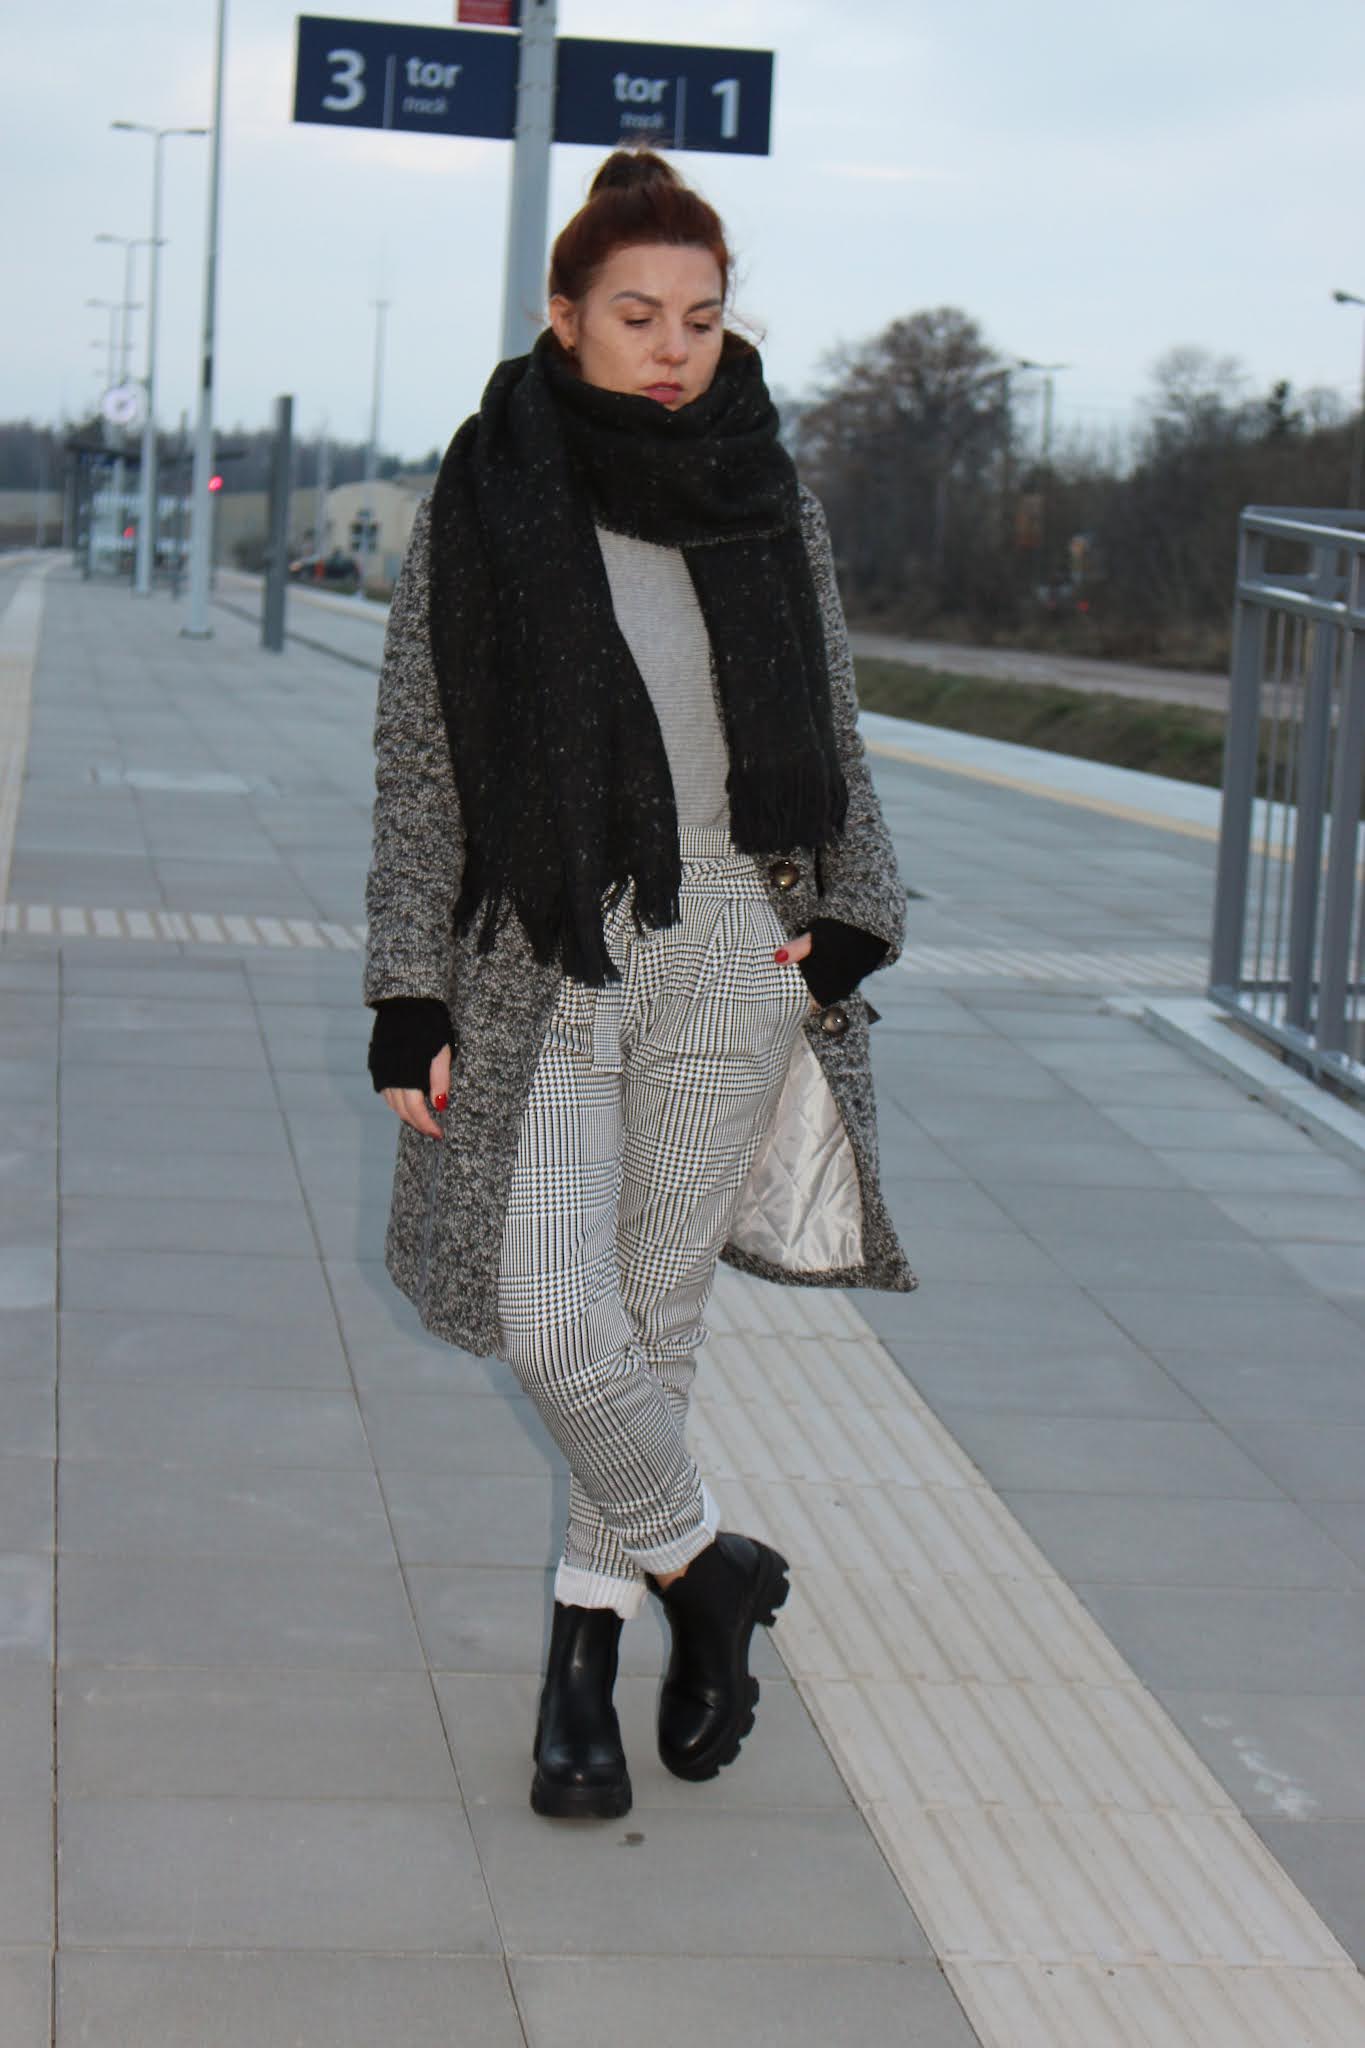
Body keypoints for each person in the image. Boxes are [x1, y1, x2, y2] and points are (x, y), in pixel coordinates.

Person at [362, 148, 916, 1822]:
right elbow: (420, 765)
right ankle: (705, 1568)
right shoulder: (484, 496)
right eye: (634, 315)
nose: (672, 348)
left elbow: (831, 718)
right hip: (549, 953)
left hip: (737, 948)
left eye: (699, 315)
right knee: (551, 1317)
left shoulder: (767, 493)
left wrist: (860, 915)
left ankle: (584, 1673)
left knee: (652, 1324)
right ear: (563, 316)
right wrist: (407, 991)